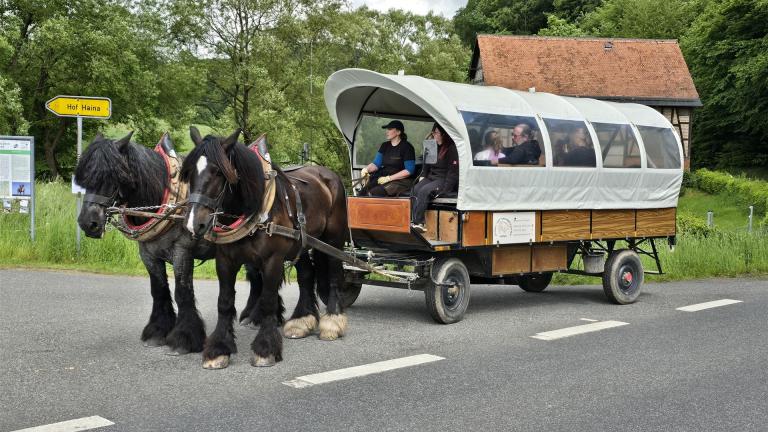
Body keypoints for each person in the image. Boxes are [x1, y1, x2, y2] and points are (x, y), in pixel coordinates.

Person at [411, 123, 459, 232]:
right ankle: (412, 220)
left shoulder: (451, 148)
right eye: (433, 133)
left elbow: (453, 172)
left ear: (443, 134)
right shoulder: (432, 146)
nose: (434, 135)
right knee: (415, 189)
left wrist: (446, 189)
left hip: (443, 179)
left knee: (424, 191)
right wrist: (423, 176)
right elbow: (426, 165)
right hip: (431, 177)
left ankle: (419, 223)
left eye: (436, 133)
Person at [360, 120, 416, 196]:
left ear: (398, 132)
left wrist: (389, 178)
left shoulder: (407, 147)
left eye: (390, 129)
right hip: (383, 178)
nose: (387, 132)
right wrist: (366, 170)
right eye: (387, 129)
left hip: (401, 181)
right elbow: (376, 164)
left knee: (374, 193)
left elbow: (409, 170)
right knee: (363, 192)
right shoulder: (384, 145)